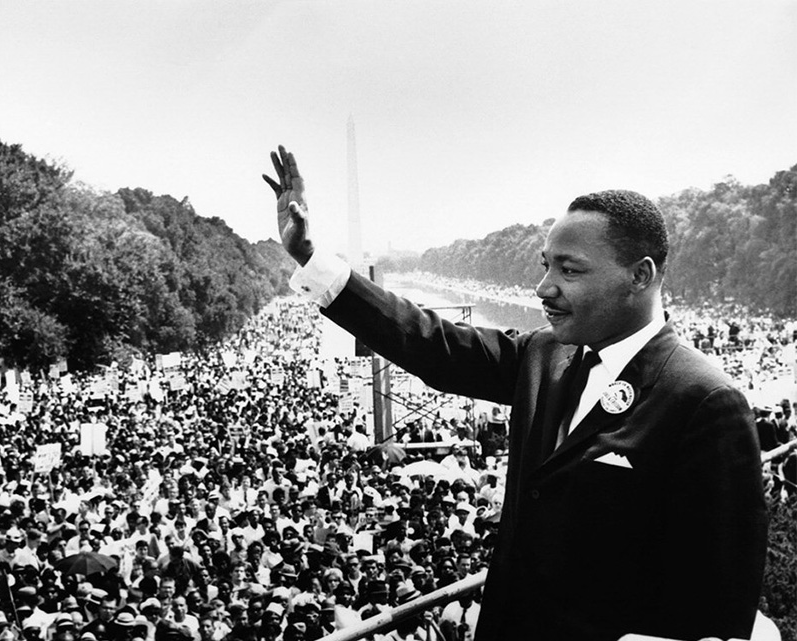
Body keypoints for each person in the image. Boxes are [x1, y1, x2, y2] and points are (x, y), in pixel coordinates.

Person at [262, 145, 767, 641]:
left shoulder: (705, 401)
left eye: (569, 270)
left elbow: (717, 607)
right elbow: (429, 343)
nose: (543, 287)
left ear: (641, 276)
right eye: (545, 266)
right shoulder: (544, 353)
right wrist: (311, 258)